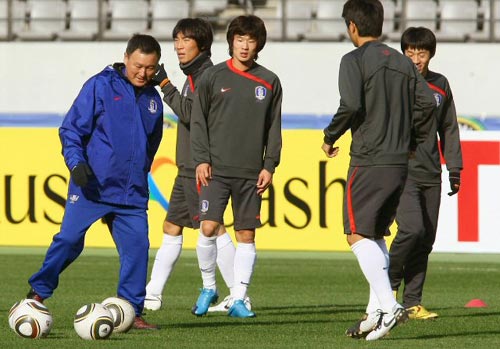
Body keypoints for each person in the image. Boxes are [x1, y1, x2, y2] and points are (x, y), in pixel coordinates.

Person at [26, 34, 164, 330]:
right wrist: (77, 165)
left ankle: (131, 310)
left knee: (138, 248)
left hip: (131, 193)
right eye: (138, 65)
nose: (143, 73)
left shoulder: (154, 99)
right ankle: (37, 293)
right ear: (125, 58)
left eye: (150, 68)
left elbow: (152, 144)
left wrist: (139, 172)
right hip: (92, 187)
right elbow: (71, 130)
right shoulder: (99, 86)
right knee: (69, 241)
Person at [321, 0, 435, 341]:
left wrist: (330, 136)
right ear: (381, 25)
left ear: (351, 27)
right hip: (400, 161)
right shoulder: (402, 62)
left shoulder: (353, 59)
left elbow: (352, 104)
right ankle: (375, 312)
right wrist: (413, 140)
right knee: (374, 234)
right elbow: (427, 104)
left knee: (355, 233)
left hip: (370, 158)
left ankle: (390, 305)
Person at [145, 18, 251, 313]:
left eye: (185, 40)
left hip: (200, 166)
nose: (178, 45)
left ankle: (237, 294)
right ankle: (152, 293)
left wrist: (165, 85)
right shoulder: (196, 73)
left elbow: (191, 114)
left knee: (213, 227)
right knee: (172, 226)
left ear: (202, 45)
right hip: (188, 165)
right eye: (176, 39)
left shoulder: (205, 75)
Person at [190, 15, 282, 318]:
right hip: (215, 169)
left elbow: (273, 128)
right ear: (231, 41)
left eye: (250, 40)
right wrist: (201, 159)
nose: (244, 45)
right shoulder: (212, 77)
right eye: (239, 39)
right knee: (207, 227)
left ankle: (239, 297)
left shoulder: (269, 81)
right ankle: (208, 286)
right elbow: (198, 122)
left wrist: (270, 165)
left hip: (251, 173)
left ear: (259, 44)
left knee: (246, 235)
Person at [388, 27, 463, 320]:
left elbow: (449, 128)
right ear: (403, 52)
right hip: (400, 172)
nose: (416, 59)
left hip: (430, 171)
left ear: (431, 54)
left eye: (422, 53)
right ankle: (386, 288)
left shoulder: (440, 85)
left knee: (426, 239)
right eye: (410, 52)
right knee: (411, 229)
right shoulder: (393, 82)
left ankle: (412, 303)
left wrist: (454, 168)